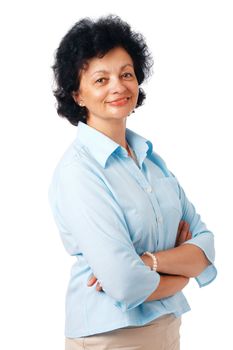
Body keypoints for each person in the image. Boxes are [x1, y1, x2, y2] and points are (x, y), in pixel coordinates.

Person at [48, 15, 217, 350]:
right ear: (77, 95)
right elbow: (124, 282)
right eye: (101, 79)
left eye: (126, 74)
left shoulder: (151, 160)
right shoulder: (79, 172)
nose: (118, 86)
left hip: (167, 327)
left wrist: (149, 263)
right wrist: (182, 273)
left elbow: (205, 246)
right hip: (110, 338)